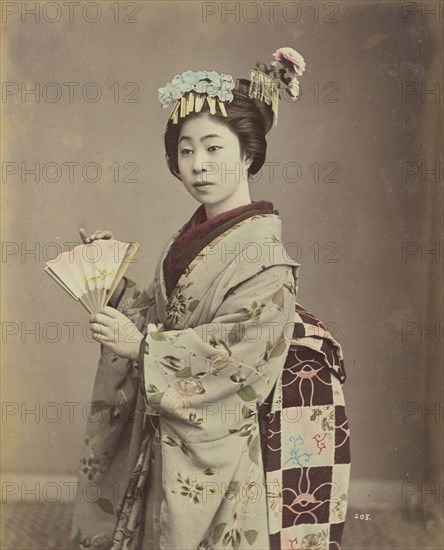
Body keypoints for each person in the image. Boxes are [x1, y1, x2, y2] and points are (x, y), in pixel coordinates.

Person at [70, 48, 351, 550]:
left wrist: (142, 350)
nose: (199, 165)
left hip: (219, 444)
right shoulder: (192, 238)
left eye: (214, 149)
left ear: (247, 154)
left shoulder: (266, 259)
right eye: (186, 150)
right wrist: (111, 286)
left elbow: (236, 363)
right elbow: (168, 317)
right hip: (176, 427)